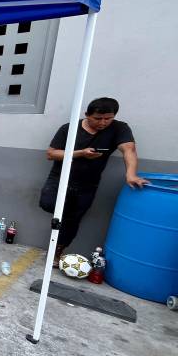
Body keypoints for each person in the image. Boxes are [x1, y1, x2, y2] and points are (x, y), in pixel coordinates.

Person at [39, 97, 147, 265]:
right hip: (60, 179)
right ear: (87, 115)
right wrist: (81, 153)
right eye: (98, 118)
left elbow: (129, 149)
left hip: (88, 184)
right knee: (47, 204)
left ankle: (56, 251)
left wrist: (131, 174)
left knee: (73, 220)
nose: (103, 123)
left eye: (108, 118)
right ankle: (65, 218)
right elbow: (51, 154)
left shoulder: (119, 128)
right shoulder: (70, 128)